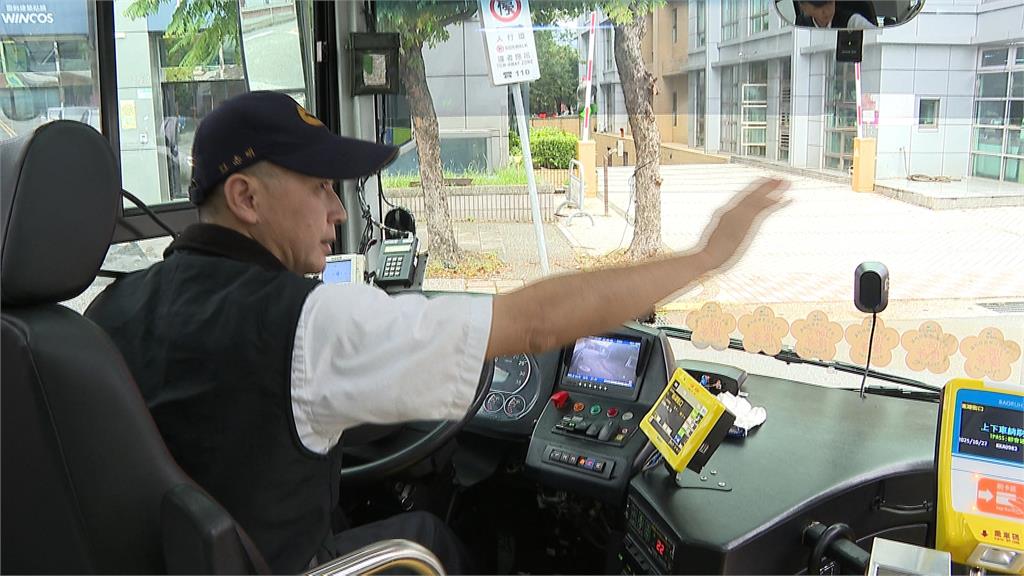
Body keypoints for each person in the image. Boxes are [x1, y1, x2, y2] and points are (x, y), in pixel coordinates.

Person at [86, 91, 787, 574]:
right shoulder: (311, 324)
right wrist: (704, 258)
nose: (338, 211)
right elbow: (534, 325)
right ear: (245, 197)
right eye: (320, 186)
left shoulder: (106, 315)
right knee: (433, 541)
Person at [795, 1, 877, 29]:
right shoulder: (799, 26)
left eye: (830, 3)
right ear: (804, 7)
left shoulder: (852, 22)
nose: (826, 11)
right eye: (818, 7)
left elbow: (877, 35)